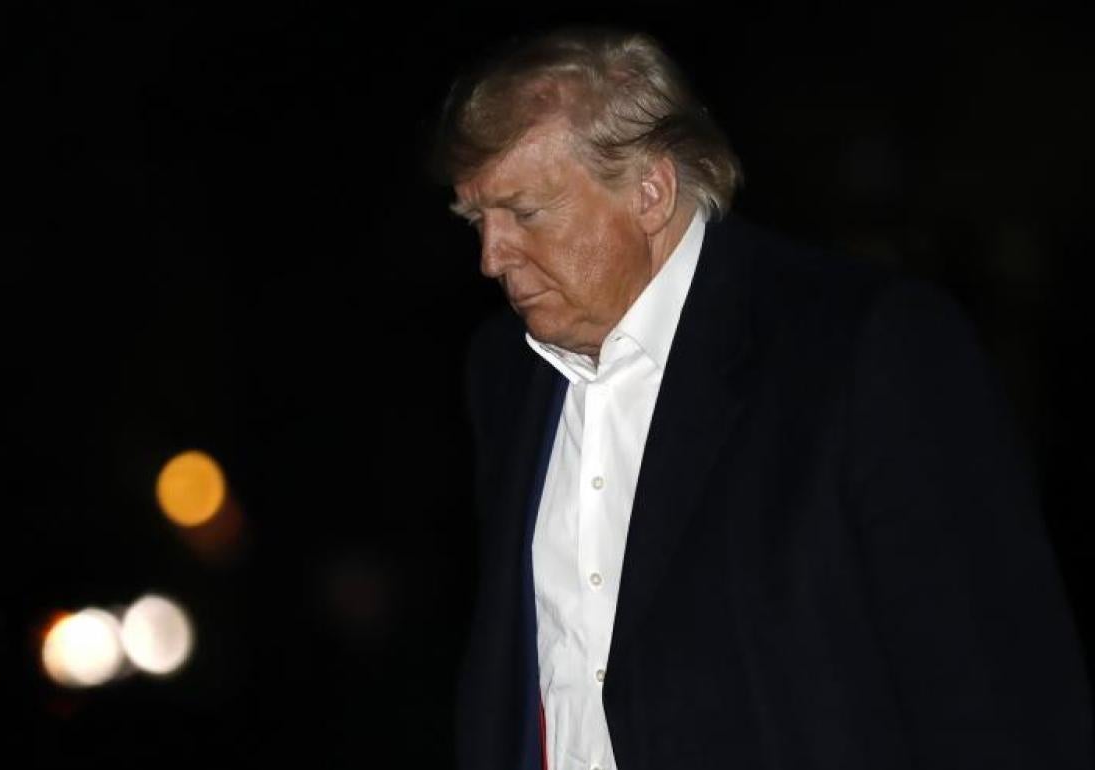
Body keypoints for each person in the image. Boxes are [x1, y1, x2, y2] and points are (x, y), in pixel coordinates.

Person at [434, 26, 1092, 770]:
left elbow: (996, 695)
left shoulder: (863, 347)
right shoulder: (506, 372)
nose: (491, 257)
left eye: (524, 213)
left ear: (650, 192)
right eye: (477, 221)